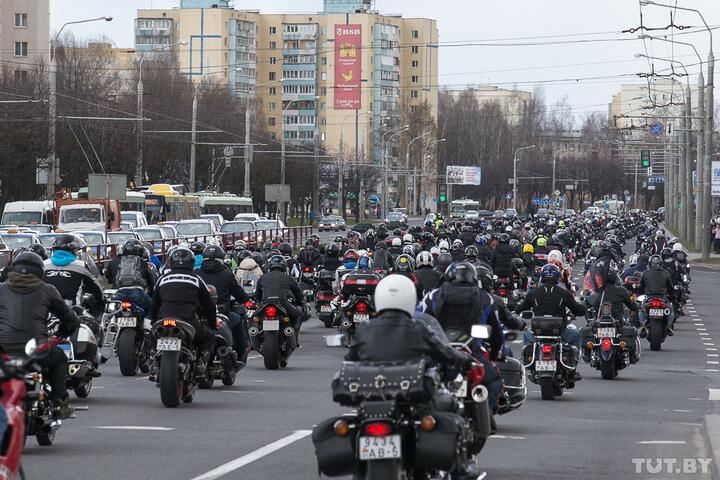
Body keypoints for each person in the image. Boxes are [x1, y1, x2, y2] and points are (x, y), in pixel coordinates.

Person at [345, 275, 479, 480]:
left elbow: (350, 359)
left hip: (371, 398)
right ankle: (459, 470)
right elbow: (444, 353)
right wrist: (465, 361)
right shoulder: (417, 328)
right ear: (410, 299)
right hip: (409, 398)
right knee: (452, 409)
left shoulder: (366, 329)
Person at [416, 262, 504, 415]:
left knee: (419, 380)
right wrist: (496, 353)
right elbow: (496, 332)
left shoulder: (434, 295)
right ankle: (487, 412)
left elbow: (419, 317)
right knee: (494, 380)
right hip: (470, 351)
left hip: (441, 350)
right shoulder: (485, 298)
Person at [0, 252, 79, 418]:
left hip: (4, 350)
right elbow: (70, 319)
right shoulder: (47, 290)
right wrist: (63, 332)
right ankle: (59, 401)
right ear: (40, 271)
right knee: (59, 357)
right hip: (35, 350)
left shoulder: (2, 290)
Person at [150, 247, 217, 378]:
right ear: (191, 262)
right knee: (209, 337)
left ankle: (153, 359)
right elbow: (209, 305)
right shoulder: (196, 279)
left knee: (151, 336)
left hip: (163, 319)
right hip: (187, 320)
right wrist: (212, 324)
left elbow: (154, 303)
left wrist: (153, 321)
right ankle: (200, 363)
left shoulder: (163, 279)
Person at [515, 264, 586, 380]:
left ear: (542, 277)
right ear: (558, 277)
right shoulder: (564, 293)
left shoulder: (533, 293)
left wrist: (516, 309)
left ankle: (530, 365)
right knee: (576, 335)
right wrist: (584, 308)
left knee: (527, 335)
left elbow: (519, 309)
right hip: (559, 332)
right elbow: (578, 310)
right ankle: (573, 367)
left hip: (538, 333)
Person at [196, 245, 250, 359]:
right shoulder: (227, 274)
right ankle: (241, 352)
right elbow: (238, 293)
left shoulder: (196, 274)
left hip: (199, 313)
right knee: (237, 320)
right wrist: (246, 299)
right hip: (221, 312)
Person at [584, 272, 640, 364]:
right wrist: (637, 306)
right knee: (633, 331)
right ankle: (632, 354)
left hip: (599, 321)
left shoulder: (596, 291)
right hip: (618, 321)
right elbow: (632, 306)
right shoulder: (621, 290)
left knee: (585, 329)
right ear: (615, 279)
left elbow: (586, 304)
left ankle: (587, 353)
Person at [43, 234, 105, 317]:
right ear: (70, 250)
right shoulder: (81, 266)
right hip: (73, 313)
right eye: (76, 250)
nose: (77, 253)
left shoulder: (43, 265)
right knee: (94, 326)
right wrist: (101, 304)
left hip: (46, 313)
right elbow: (96, 288)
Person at [255, 255, 308, 341]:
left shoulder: (263, 277)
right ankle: (294, 338)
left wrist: (258, 302)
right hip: (282, 303)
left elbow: (258, 293)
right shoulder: (288, 277)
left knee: (254, 317)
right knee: (298, 315)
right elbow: (297, 293)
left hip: (265, 303)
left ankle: (255, 336)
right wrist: (301, 302)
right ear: (284, 266)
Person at [113, 239, 157, 314]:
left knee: (112, 311)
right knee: (154, 307)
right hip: (137, 293)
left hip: (120, 293)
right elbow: (151, 279)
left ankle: (109, 323)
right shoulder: (142, 263)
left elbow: (115, 279)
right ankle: (148, 323)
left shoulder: (120, 262)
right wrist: (153, 293)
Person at [638, 254, 676, 336]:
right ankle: (669, 326)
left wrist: (640, 294)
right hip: (662, 297)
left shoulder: (646, 273)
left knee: (641, 309)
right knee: (671, 311)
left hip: (649, 298)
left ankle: (642, 325)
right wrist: (672, 296)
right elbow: (670, 287)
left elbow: (641, 286)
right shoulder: (665, 273)